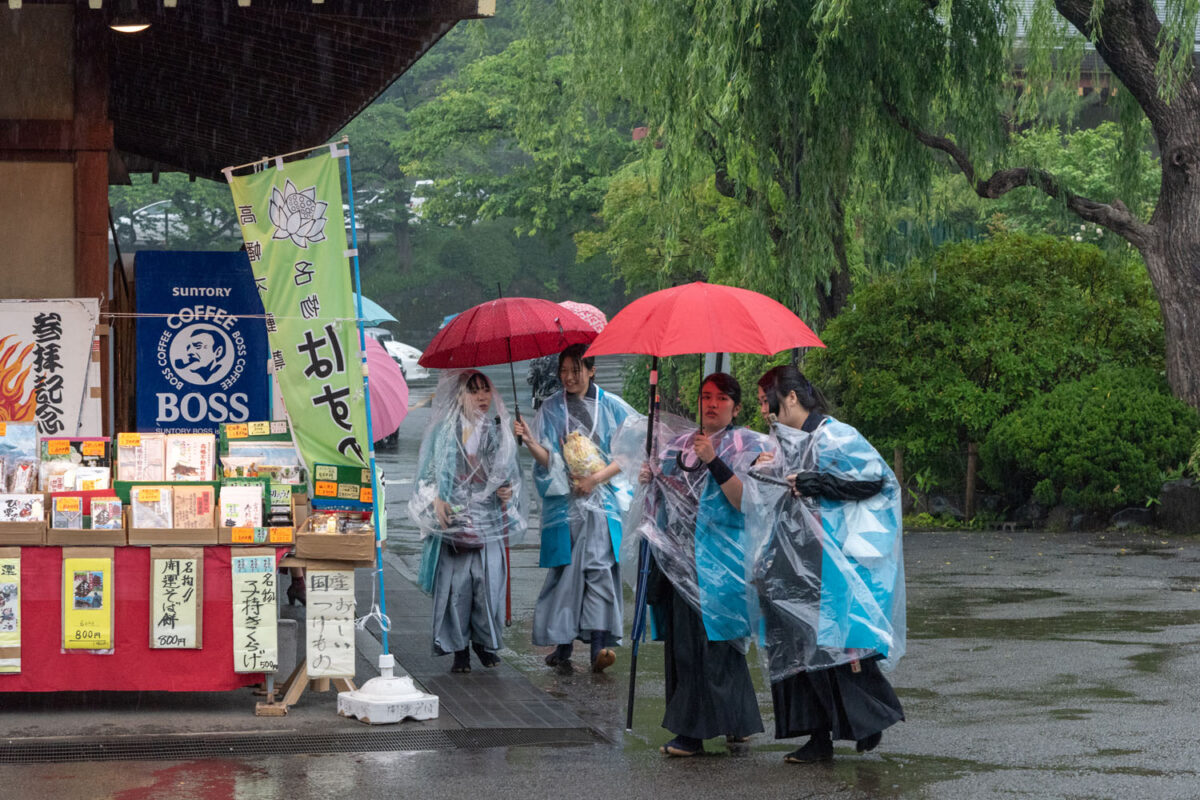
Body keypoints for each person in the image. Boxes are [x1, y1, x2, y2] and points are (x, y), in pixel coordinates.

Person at [745, 365, 905, 763]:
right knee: (797, 652)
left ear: (792, 398)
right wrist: (763, 470)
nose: (765, 409)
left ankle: (870, 718)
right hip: (791, 560)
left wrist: (819, 482)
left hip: (828, 562)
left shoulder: (836, 435)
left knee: (836, 650)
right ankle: (817, 736)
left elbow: (876, 482)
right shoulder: (784, 442)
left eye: (769, 400)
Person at [635, 373, 770, 757]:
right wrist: (650, 478)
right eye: (706, 397)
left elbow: (746, 501)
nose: (712, 404)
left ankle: (690, 735)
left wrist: (714, 460)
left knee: (719, 647)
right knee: (688, 646)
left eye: (722, 398)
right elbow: (664, 497)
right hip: (682, 562)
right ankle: (735, 723)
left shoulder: (750, 446)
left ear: (737, 407)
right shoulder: (678, 445)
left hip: (724, 563)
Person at [512, 343, 638, 674]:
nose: (568, 377)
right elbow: (548, 460)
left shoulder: (612, 406)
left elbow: (629, 453)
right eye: (563, 371)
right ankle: (564, 644)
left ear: (591, 369)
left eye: (575, 370)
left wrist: (595, 479)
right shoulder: (551, 409)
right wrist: (529, 440)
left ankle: (598, 644)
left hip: (602, 502)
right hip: (566, 504)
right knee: (566, 573)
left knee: (597, 568)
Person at [409, 370, 526, 674]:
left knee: (487, 586)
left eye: (485, 389)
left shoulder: (498, 431)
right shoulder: (442, 433)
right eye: (473, 391)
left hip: (487, 519)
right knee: (457, 591)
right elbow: (427, 476)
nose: (481, 397)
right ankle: (460, 650)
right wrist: (436, 499)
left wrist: (506, 491)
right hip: (454, 523)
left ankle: (483, 643)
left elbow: (510, 476)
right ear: (459, 396)